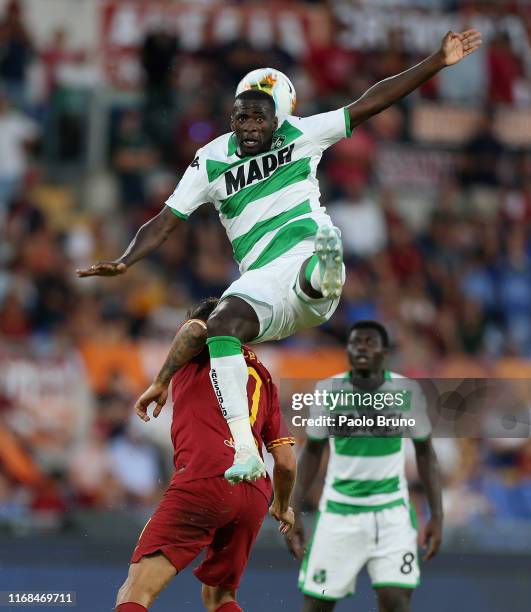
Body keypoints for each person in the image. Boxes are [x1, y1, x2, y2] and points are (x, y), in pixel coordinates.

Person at [78, 29, 482, 484]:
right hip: (262, 280)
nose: (251, 126)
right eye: (243, 117)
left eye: (261, 118)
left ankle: (322, 273)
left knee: (300, 278)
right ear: (232, 116)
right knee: (222, 324)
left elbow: (371, 102)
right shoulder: (209, 160)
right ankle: (246, 451)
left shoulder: (301, 133)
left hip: (306, 250)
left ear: (279, 118)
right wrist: (126, 260)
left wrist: (436, 61)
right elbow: (165, 220)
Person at [115, 297, 296, 612]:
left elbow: (198, 331)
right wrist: (281, 505)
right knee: (220, 598)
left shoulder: (200, 342)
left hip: (206, 476)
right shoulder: (264, 378)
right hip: (254, 492)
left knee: (136, 591)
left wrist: (160, 381)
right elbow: (285, 462)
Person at [287, 320, 443, 612]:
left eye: (370, 342)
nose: (361, 347)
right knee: (316, 605)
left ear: (384, 352)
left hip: (391, 513)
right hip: (338, 513)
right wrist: (292, 510)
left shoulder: (406, 392)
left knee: (395, 602)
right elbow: (311, 453)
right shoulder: (328, 391)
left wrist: (437, 514)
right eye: (355, 342)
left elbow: (426, 454)